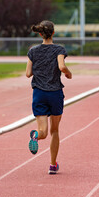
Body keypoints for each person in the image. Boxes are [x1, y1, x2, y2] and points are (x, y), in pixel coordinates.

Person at [26, 20, 72, 174]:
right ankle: (52, 165)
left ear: (40, 33)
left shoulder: (33, 51)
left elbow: (28, 74)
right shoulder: (59, 49)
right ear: (53, 33)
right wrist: (68, 73)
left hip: (39, 93)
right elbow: (61, 66)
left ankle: (36, 136)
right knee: (55, 131)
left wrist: (39, 70)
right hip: (55, 93)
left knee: (43, 132)